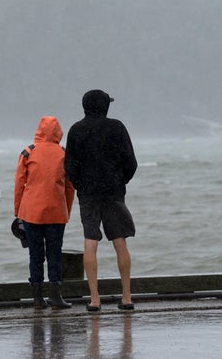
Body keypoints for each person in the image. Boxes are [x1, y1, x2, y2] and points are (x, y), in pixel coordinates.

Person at [64, 89, 138, 311]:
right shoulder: (117, 127)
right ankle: (126, 298)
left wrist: (82, 185)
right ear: (105, 106)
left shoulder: (76, 130)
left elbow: (69, 168)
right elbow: (131, 163)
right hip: (114, 191)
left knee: (90, 242)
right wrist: (119, 181)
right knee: (119, 241)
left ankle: (94, 300)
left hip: (88, 193)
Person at [14, 116, 75, 309]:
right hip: (56, 212)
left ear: (39, 130)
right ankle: (56, 297)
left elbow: (19, 185)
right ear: (59, 132)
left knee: (35, 254)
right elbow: (70, 187)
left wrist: (18, 213)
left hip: (31, 212)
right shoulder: (64, 153)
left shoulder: (28, 152)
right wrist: (67, 211)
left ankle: (37, 298)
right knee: (54, 254)